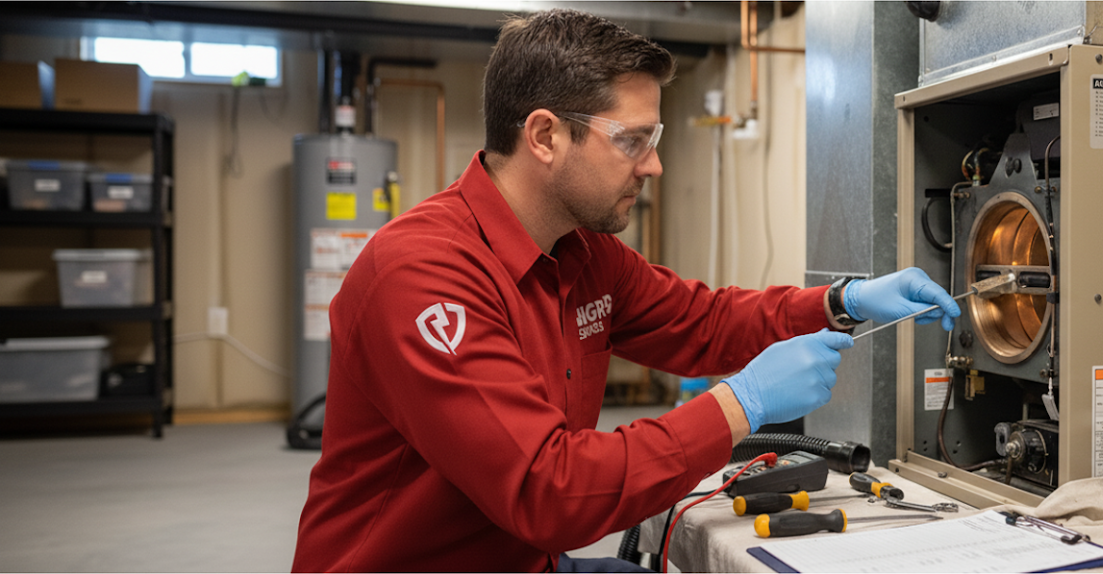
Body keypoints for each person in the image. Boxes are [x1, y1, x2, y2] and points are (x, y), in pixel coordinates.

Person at [290, 9, 960, 573]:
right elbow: (550, 489)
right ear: (545, 136)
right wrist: (740, 404)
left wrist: (840, 302)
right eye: (633, 141)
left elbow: (702, 322)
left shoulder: (582, 251)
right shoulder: (421, 275)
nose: (655, 165)